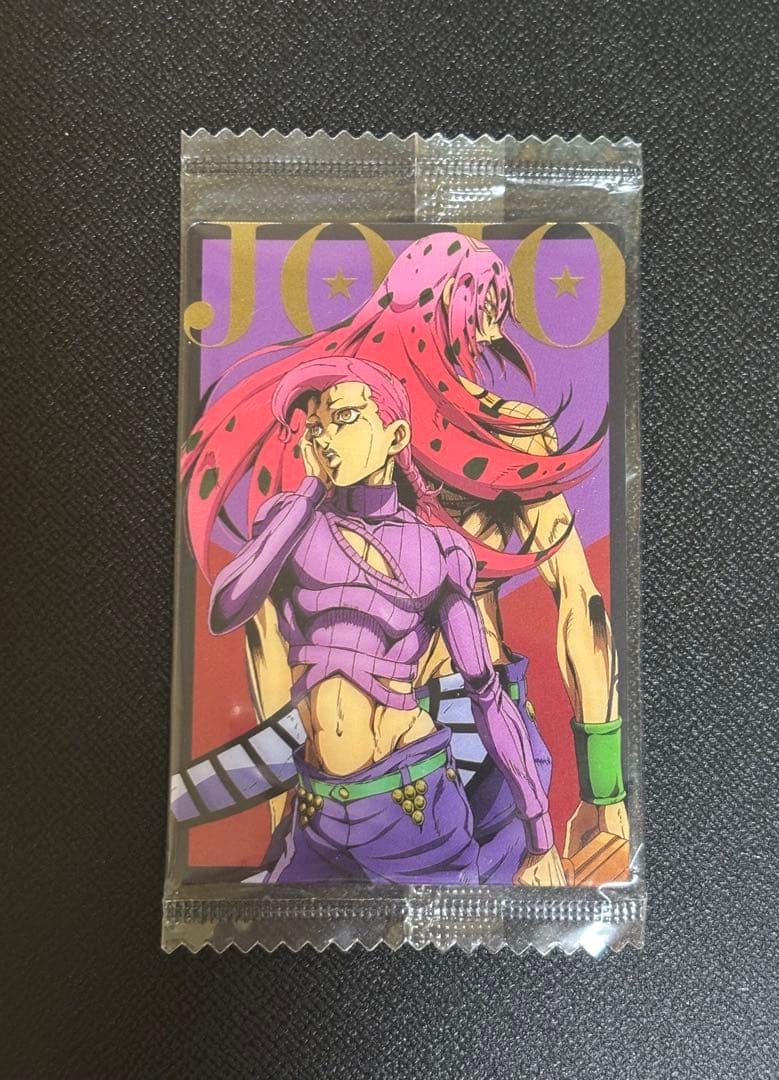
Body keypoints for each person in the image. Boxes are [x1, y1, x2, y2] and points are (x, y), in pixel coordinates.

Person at [181, 232, 626, 884]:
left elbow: (268, 642)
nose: (486, 341)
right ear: (462, 313)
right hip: (456, 734)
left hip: (400, 745)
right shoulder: (474, 430)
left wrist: (284, 815)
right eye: (485, 318)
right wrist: (605, 795)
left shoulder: (338, 421)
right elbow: (581, 610)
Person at [199, 354, 563, 885]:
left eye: (344, 417)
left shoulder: (437, 551)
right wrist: (309, 492)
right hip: (318, 812)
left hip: (413, 810)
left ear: (396, 436)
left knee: (450, 935)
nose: (326, 438)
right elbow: (226, 608)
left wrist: (540, 834)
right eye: (315, 427)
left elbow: (487, 694)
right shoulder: (289, 523)